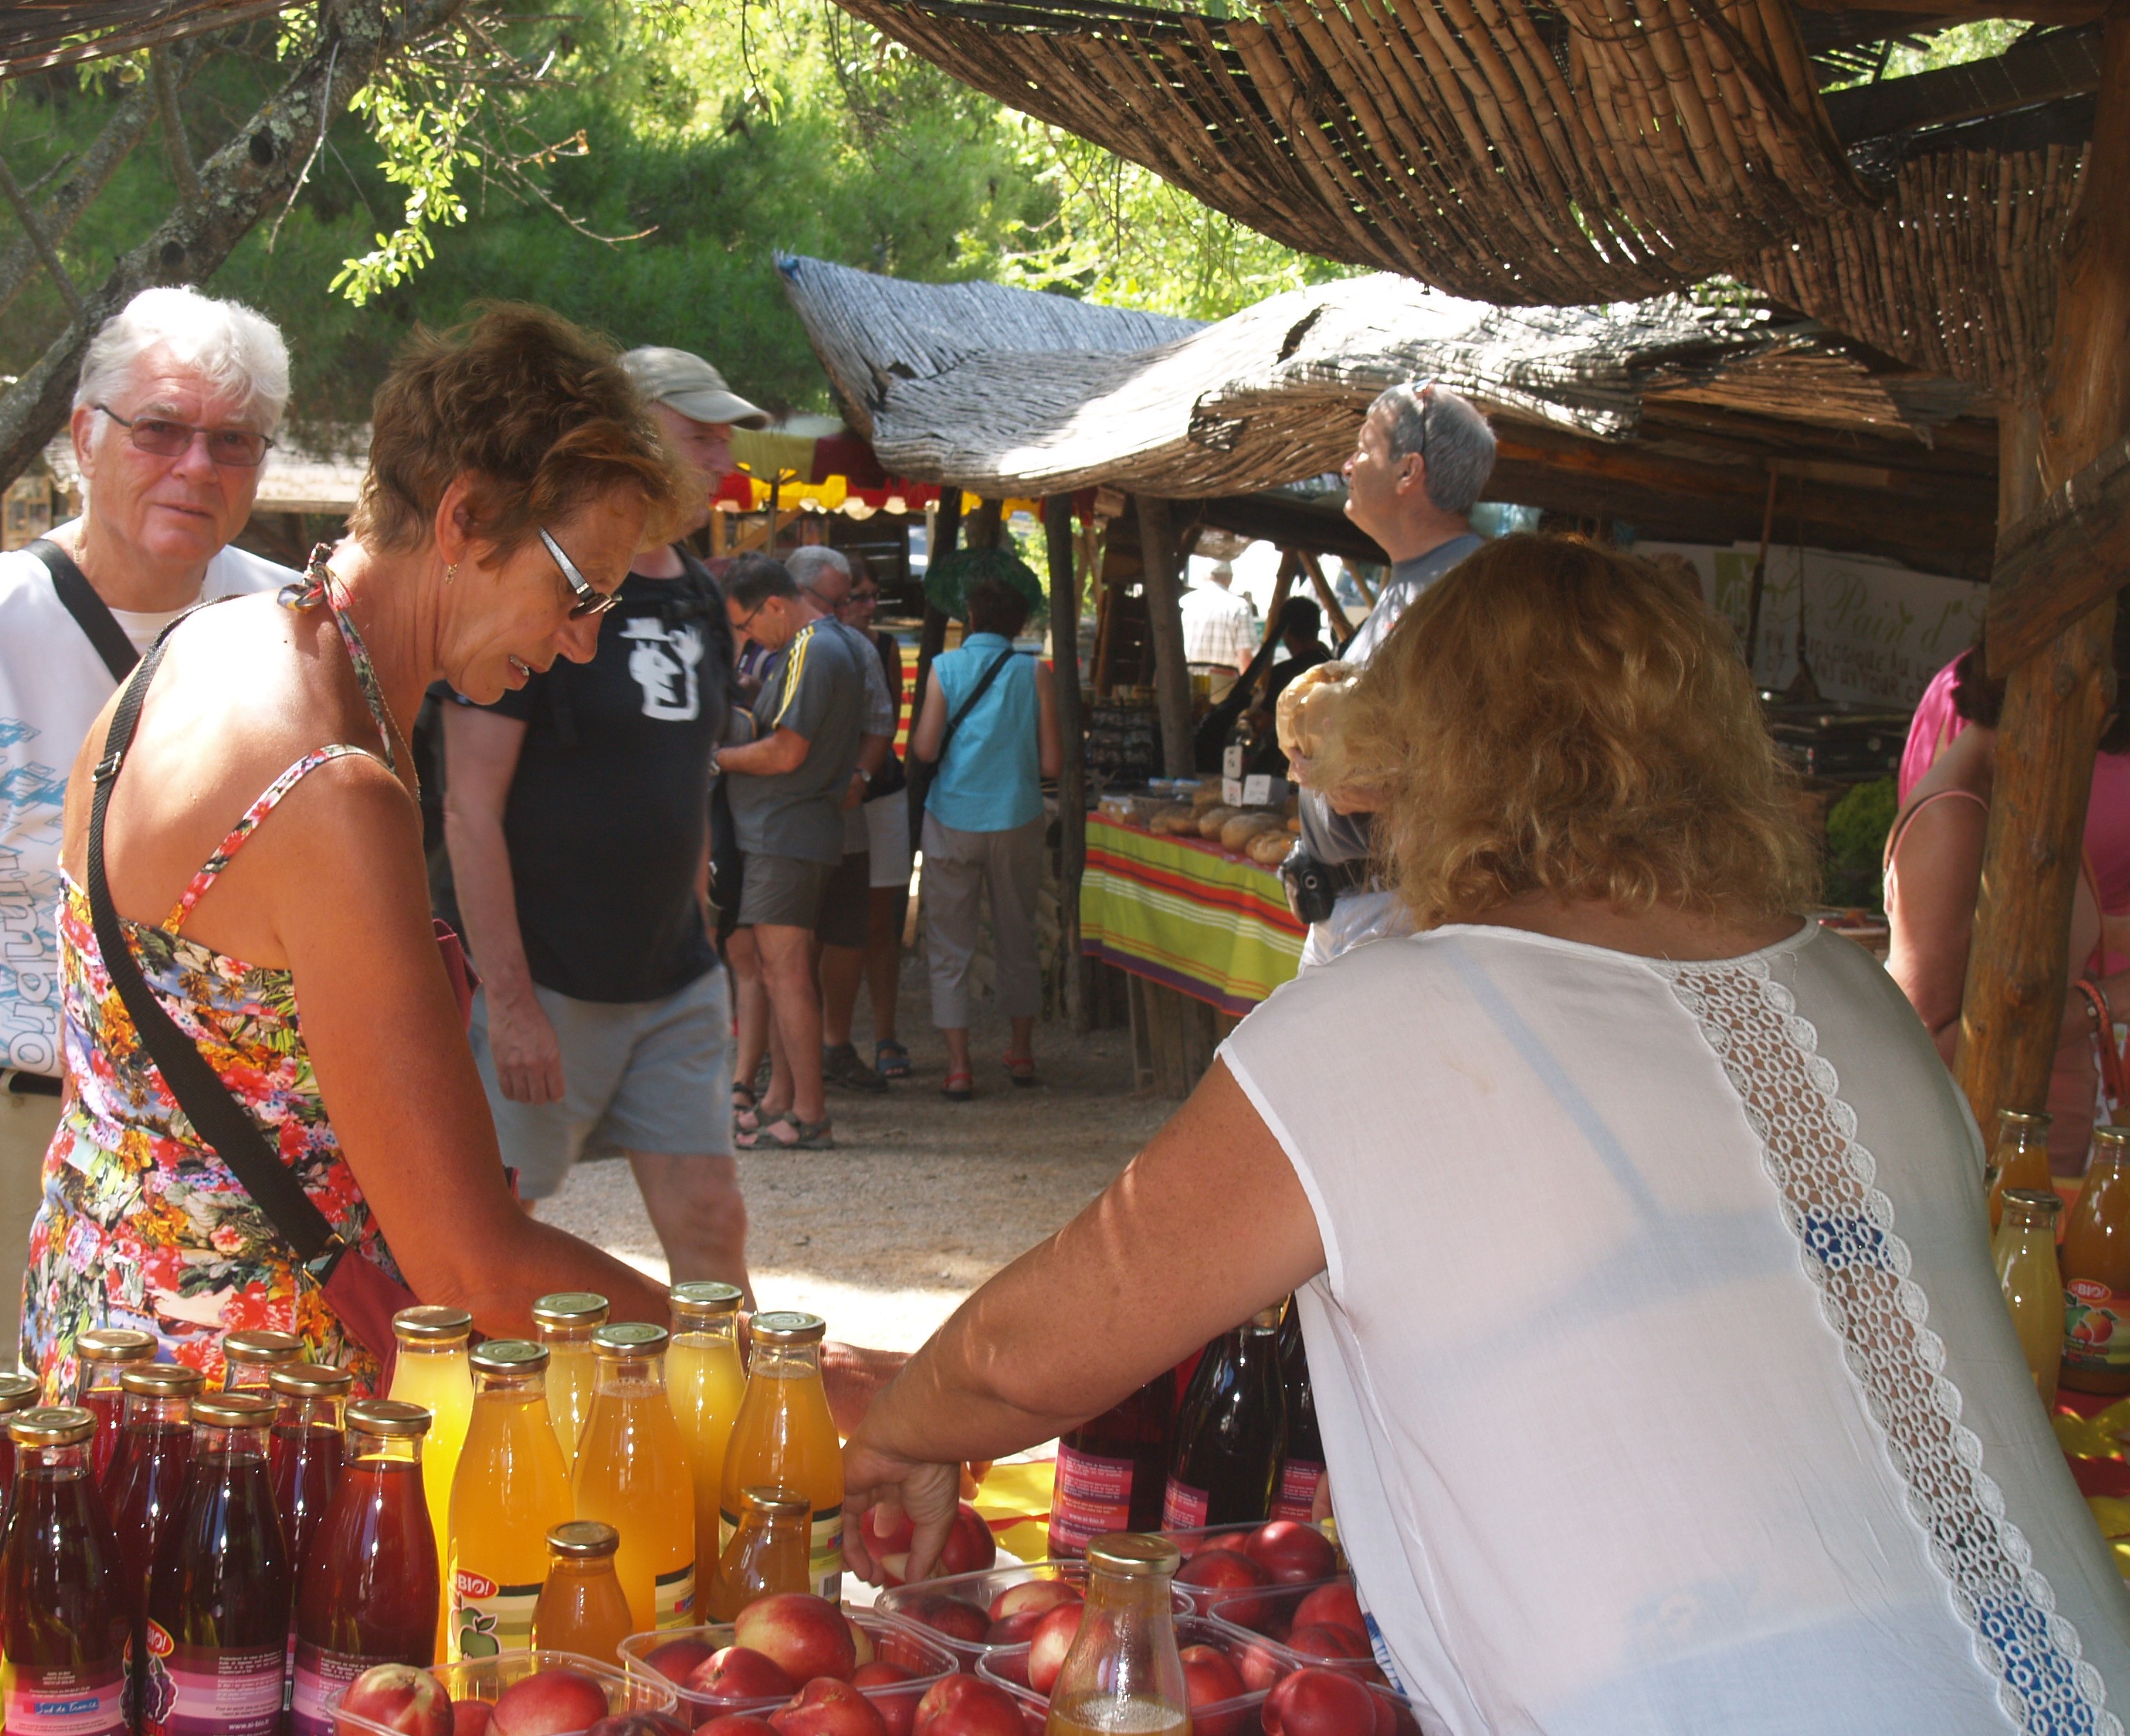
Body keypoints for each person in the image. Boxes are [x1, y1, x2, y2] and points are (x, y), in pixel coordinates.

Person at [844, 535, 2130, 1732]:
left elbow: (1026, 1355)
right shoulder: (1856, 996)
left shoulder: (1384, 1022)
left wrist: (898, 1432)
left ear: (1424, 758)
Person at [19, 304, 902, 1417]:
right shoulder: (329, 787)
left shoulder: (209, 647)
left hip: (109, 1343)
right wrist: (792, 1377)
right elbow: (470, 1270)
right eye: (581, 588)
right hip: (229, 1428)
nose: (584, 637)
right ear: (465, 519)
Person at [0, 286, 294, 1358]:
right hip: (12, 1136)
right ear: (85, 436)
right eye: (160, 430)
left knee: (223, 1467)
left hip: (241, 1142)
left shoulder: (292, 629)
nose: (197, 467)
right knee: (15, 1479)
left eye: (232, 440)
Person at [436, 347, 762, 1287]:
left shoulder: (700, 593)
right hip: (546, 981)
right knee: (492, 1231)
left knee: (712, 1219)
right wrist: (511, 1007)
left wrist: (698, 931)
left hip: (672, 978)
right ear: (628, 431)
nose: (717, 453)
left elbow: (687, 776)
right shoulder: (534, 579)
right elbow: (469, 810)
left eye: (723, 434)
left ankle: (736, 1423)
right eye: (694, 429)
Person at [1884, 625, 2130, 1171]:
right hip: (1988, 1174)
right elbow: (1931, 1044)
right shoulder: (1954, 821)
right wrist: (2108, 1000)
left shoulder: (2019, 803)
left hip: (2040, 1166)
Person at [1289, 381, 1497, 969]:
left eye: (1363, 447)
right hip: (1357, 906)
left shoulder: (1467, 593)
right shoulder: (1415, 581)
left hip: (1402, 910)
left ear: (1409, 471)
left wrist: (1387, 791)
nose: (1347, 464)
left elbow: (1499, 760)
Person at [719, 556, 867, 1150]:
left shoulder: (812, 648)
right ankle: (783, 1097)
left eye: (748, 624)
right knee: (782, 971)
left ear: (775, 605)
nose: (748, 637)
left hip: (786, 832)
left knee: (786, 973)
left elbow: (786, 752)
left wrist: (715, 758)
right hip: (789, 831)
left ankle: (810, 1111)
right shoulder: (825, 646)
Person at [910, 577, 1062, 1100]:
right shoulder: (1034, 673)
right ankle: (1021, 1052)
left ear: (970, 619)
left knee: (951, 945)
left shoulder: (944, 669)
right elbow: (1052, 763)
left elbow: (925, 749)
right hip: (1017, 818)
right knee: (1018, 933)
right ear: (1020, 625)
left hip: (953, 818)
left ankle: (958, 1066)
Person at [785, 544, 897, 1095]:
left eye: (844, 599)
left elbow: (881, 723)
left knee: (847, 931)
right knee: (789, 932)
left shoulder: (856, 647)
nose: (841, 610)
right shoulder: (770, 644)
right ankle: (788, 1055)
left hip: (842, 814)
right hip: (780, 819)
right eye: (831, 599)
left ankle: (834, 1043)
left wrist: (860, 778)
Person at [840, 564, 914, 1080]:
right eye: (858, 597)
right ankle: (834, 1038)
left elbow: (886, 720)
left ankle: (886, 1034)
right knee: (832, 924)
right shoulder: (809, 644)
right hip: (829, 796)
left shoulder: (885, 648)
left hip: (878, 791)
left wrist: (862, 773)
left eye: (874, 595)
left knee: (880, 921)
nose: (869, 605)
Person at [1239, 595, 1329, 777]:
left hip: (1290, 762)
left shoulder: (1284, 673)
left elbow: (1270, 721)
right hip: (1328, 756)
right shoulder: (1333, 666)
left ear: (1286, 633)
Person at [1180, 560, 1258, 699]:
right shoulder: (1239, 606)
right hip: (1224, 685)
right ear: (1230, 578)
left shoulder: (1185, 603)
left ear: (1206, 577)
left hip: (1186, 681)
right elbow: (1244, 656)